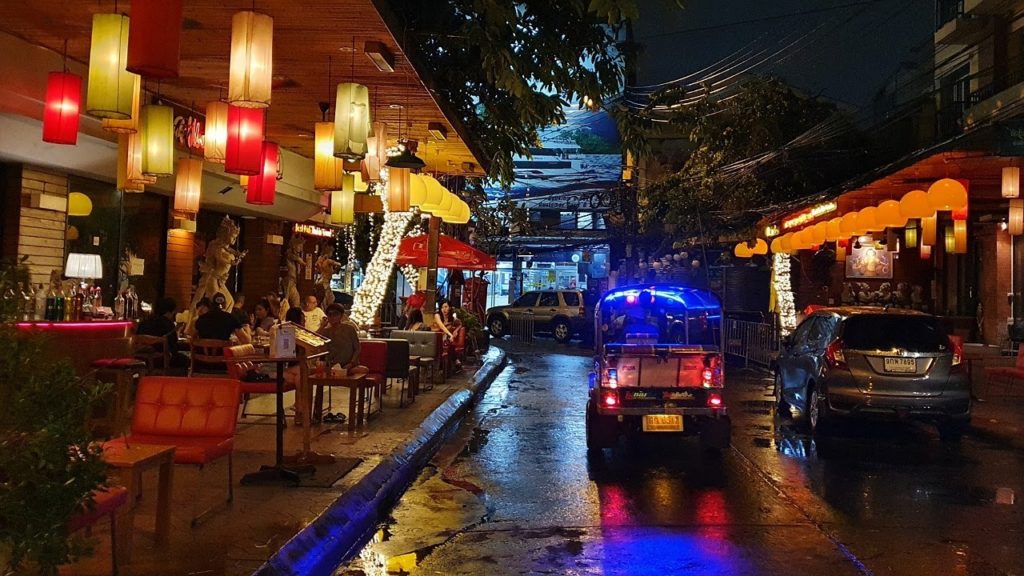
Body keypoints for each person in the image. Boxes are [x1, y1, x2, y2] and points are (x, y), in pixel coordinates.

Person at [136, 296, 188, 368]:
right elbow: (173, 347)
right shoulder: (168, 324)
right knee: (186, 360)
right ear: (169, 312)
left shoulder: (143, 323)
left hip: (142, 360)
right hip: (162, 361)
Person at [319, 304, 368, 375]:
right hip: (332, 366)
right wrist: (322, 326)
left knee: (364, 370)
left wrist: (351, 363)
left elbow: (357, 348)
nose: (332, 317)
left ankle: (345, 373)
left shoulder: (349, 329)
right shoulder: (326, 331)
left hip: (350, 366)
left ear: (341, 315)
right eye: (330, 315)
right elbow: (315, 340)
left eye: (335, 314)